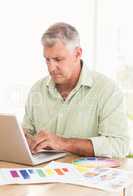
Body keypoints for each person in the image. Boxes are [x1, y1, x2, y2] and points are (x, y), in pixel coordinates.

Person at [22, 22, 129, 158]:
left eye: (58, 59)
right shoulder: (37, 89)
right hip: (42, 174)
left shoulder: (108, 90)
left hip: (86, 176)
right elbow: (26, 134)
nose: (51, 68)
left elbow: (119, 145)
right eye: (47, 60)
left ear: (77, 54)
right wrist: (24, 139)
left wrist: (64, 143)